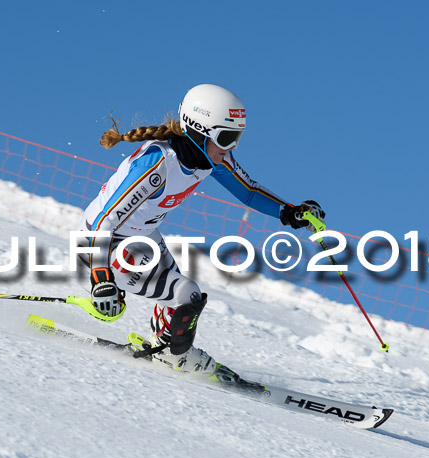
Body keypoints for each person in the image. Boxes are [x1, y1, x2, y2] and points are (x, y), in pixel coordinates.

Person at [79, 84, 324, 376]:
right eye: (227, 137)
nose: (231, 147)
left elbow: (248, 191)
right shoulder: (156, 165)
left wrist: (289, 211)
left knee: (178, 299)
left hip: (141, 238)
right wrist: (102, 279)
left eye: (237, 138)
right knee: (187, 294)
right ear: (198, 131)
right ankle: (175, 355)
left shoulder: (211, 159)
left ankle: (165, 346)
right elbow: (102, 223)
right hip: (102, 245)